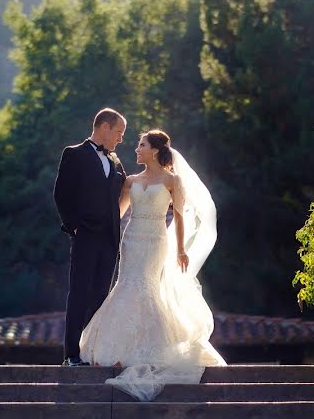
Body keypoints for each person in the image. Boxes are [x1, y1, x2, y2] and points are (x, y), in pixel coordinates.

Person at [79, 129, 225, 401]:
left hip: (157, 241)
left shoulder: (173, 180)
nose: (136, 149)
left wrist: (181, 249)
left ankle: (150, 348)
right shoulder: (130, 180)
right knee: (126, 285)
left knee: (146, 287)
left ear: (155, 150)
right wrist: (96, 230)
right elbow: (118, 212)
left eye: (141, 144)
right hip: (131, 239)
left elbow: (180, 217)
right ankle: (115, 350)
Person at [53, 108, 127, 367]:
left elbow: (127, 192)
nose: (120, 138)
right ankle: (71, 355)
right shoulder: (73, 154)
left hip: (110, 239)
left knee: (101, 297)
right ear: (104, 127)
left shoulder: (116, 161)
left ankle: (93, 353)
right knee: (79, 294)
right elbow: (61, 194)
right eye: (119, 132)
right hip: (85, 236)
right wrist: (74, 227)